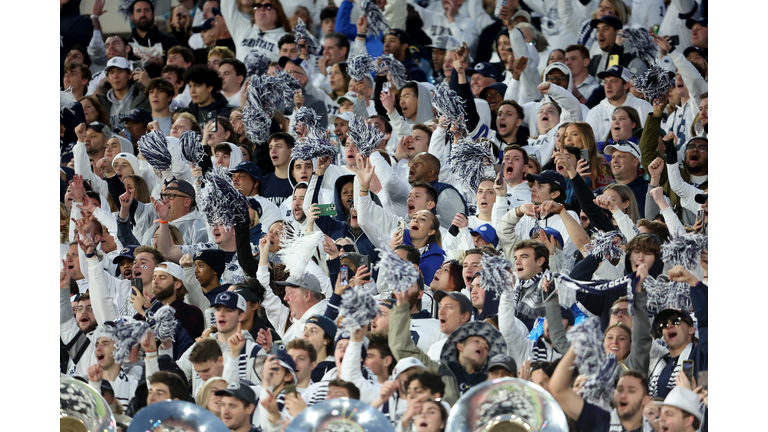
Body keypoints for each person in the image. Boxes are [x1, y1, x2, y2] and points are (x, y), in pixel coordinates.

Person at [585, 66, 652, 142]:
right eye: (605, 82)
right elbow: (589, 145)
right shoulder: (595, 112)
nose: (608, 86)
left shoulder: (644, 107)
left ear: (626, 85)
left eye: (613, 81)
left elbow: (655, 137)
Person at [96, 57, 151, 131]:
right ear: (108, 78)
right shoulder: (101, 102)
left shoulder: (143, 98)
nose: (115, 76)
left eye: (120, 71)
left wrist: (148, 85)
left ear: (130, 75)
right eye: (112, 72)